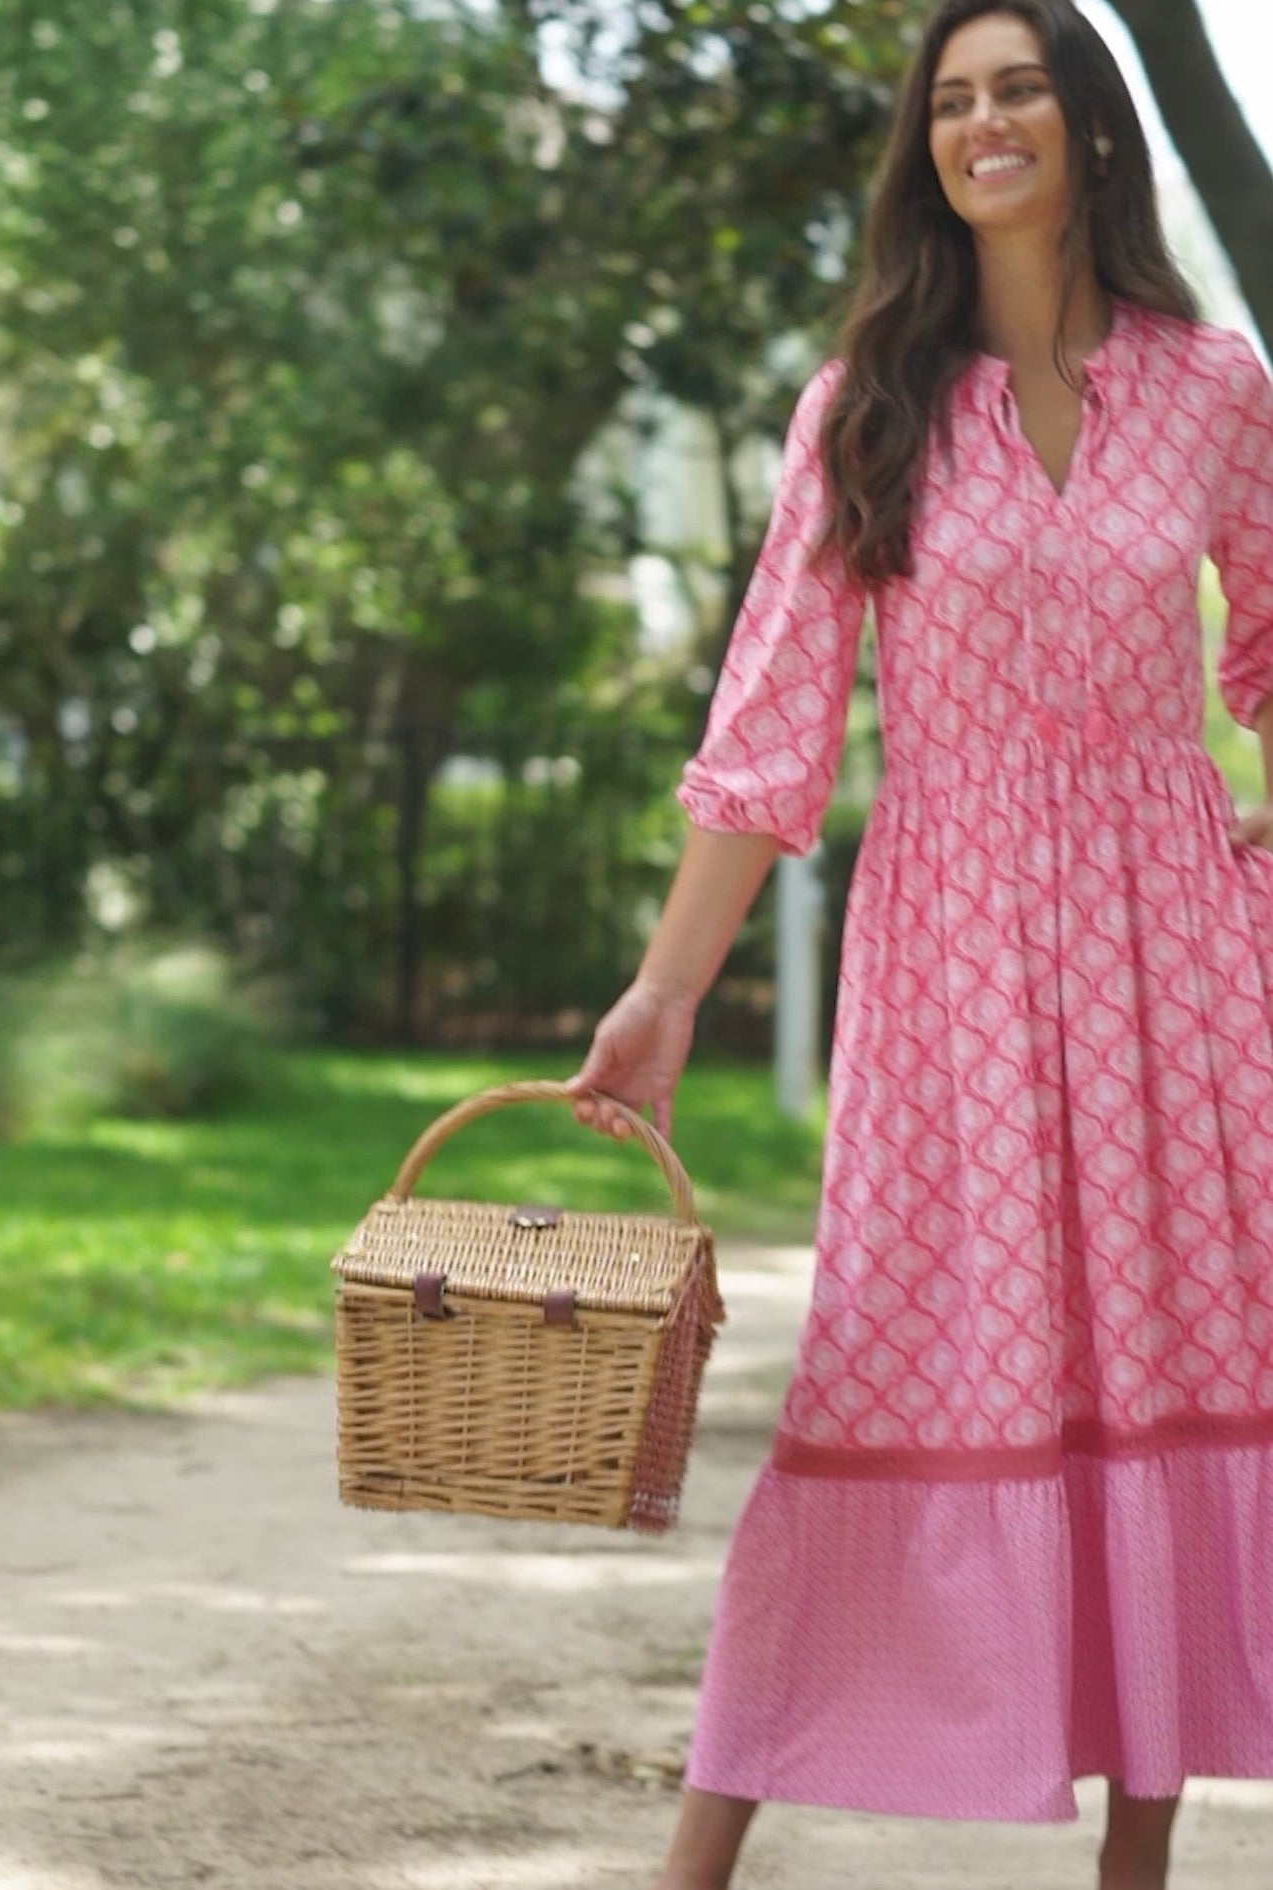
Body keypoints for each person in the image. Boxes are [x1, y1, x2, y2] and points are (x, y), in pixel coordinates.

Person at [565, 2, 1273, 1886]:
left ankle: (1140, 1859)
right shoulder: (863, 402)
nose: (984, 124)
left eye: (1019, 87)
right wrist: (665, 995)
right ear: (925, 152)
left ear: (1087, 123)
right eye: (951, 102)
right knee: (883, 1360)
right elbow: (768, 732)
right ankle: (696, 1860)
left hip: (1169, 961)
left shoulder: (1211, 387)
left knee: (1162, 1369)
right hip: (947, 949)